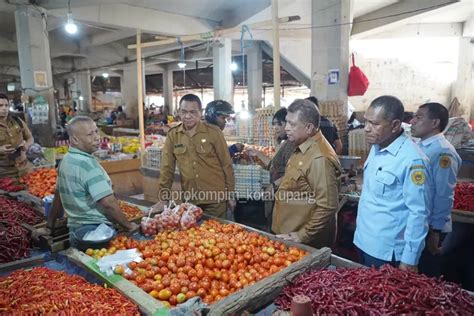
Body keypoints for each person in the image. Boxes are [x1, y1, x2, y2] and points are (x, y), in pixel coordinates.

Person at [354, 95, 430, 272]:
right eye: (366, 121)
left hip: (386, 251)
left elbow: (418, 213)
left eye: (374, 124)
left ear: (395, 125)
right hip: (363, 240)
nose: (366, 129)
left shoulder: (412, 160)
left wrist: (410, 259)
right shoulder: (377, 146)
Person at [37, 116, 138, 246]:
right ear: (75, 140)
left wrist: (49, 226)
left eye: (96, 131)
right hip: (98, 232)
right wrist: (129, 226)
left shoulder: (66, 160)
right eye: (90, 134)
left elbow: (59, 195)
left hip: (75, 231)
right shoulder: (87, 165)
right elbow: (108, 203)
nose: (97, 137)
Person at [272, 99, 342, 248]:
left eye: (292, 124)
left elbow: (327, 206)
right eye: (287, 122)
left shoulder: (320, 158)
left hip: (304, 242)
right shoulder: (301, 147)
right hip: (288, 233)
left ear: (309, 127)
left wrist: (302, 235)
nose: (287, 129)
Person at [155, 94, 235, 218]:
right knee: (193, 235)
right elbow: (167, 168)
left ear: (200, 112)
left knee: (217, 233)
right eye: (184, 111)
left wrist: (230, 194)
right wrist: (163, 198)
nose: (187, 116)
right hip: (190, 199)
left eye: (193, 112)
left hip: (215, 199)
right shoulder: (173, 135)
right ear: (178, 112)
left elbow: (226, 164)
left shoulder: (214, 132)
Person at [410, 102, 461, 277]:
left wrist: (435, 231)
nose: (412, 121)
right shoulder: (420, 145)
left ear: (434, 123)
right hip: (420, 223)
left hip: (430, 227)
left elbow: (443, 195)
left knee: (426, 274)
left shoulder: (442, 152)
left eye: (419, 117)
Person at [247, 107, 296, 189]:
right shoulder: (284, 143)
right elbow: (274, 165)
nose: (275, 127)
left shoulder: (291, 144)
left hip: (285, 191)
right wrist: (257, 153)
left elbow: (292, 173)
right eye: (274, 124)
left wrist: (274, 185)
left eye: (279, 124)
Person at [0, 93, 34, 178]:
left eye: (6, 105)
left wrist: (26, 145)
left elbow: (30, 138)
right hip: (4, 172)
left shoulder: (17, 121)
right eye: (0, 105)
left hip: (24, 168)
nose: (4, 108)